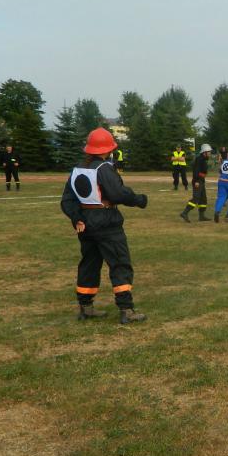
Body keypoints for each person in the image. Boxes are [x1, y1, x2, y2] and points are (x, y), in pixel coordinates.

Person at [59, 127, 148, 324]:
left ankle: (85, 307)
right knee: (119, 263)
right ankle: (126, 309)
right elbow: (118, 194)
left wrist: (77, 218)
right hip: (107, 223)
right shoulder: (104, 168)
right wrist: (139, 200)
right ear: (108, 149)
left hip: (86, 225)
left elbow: (66, 200)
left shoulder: (77, 170)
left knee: (89, 265)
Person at [180, 143, 213, 222]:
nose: (210, 153)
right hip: (198, 181)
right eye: (209, 152)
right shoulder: (199, 159)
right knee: (196, 198)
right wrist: (197, 181)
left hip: (201, 180)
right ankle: (184, 213)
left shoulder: (203, 159)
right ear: (204, 152)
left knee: (203, 199)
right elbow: (196, 171)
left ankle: (201, 216)